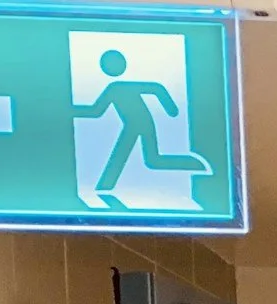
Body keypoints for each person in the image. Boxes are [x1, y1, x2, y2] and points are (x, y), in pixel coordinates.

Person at [76, 49, 209, 206]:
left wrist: (171, 109)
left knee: (147, 158)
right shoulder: (113, 88)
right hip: (133, 124)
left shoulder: (116, 87)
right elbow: (96, 111)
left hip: (142, 123)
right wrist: (72, 110)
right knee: (152, 159)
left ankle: (105, 186)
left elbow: (155, 88)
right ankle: (193, 164)